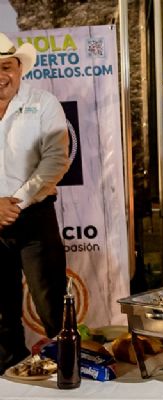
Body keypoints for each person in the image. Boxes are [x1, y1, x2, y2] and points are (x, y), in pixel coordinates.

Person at [0, 33, 71, 373]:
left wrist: (17, 200)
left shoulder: (43, 103)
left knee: (52, 306)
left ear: (19, 68)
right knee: (1, 314)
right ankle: (9, 376)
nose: (0, 75)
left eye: (5, 66)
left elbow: (57, 159)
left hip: (34, 216)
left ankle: (71, 377)